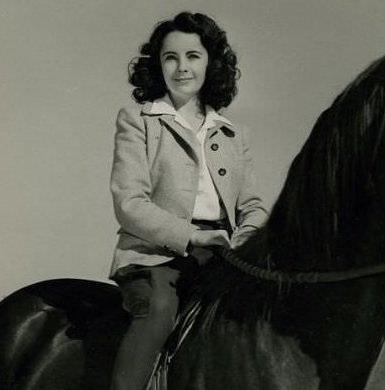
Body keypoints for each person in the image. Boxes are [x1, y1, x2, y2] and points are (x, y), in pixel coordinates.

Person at [108, 12, 267, 390]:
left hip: (223, 256)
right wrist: (194, 236)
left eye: (193, 56)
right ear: (158, 65)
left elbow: (254, 206)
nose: (182, 67)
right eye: (170, 57)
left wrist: (246, 238)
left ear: (210, 62)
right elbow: (128, 202)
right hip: (154, 257)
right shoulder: (137, 120)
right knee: (160, 311)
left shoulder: (233, 133)